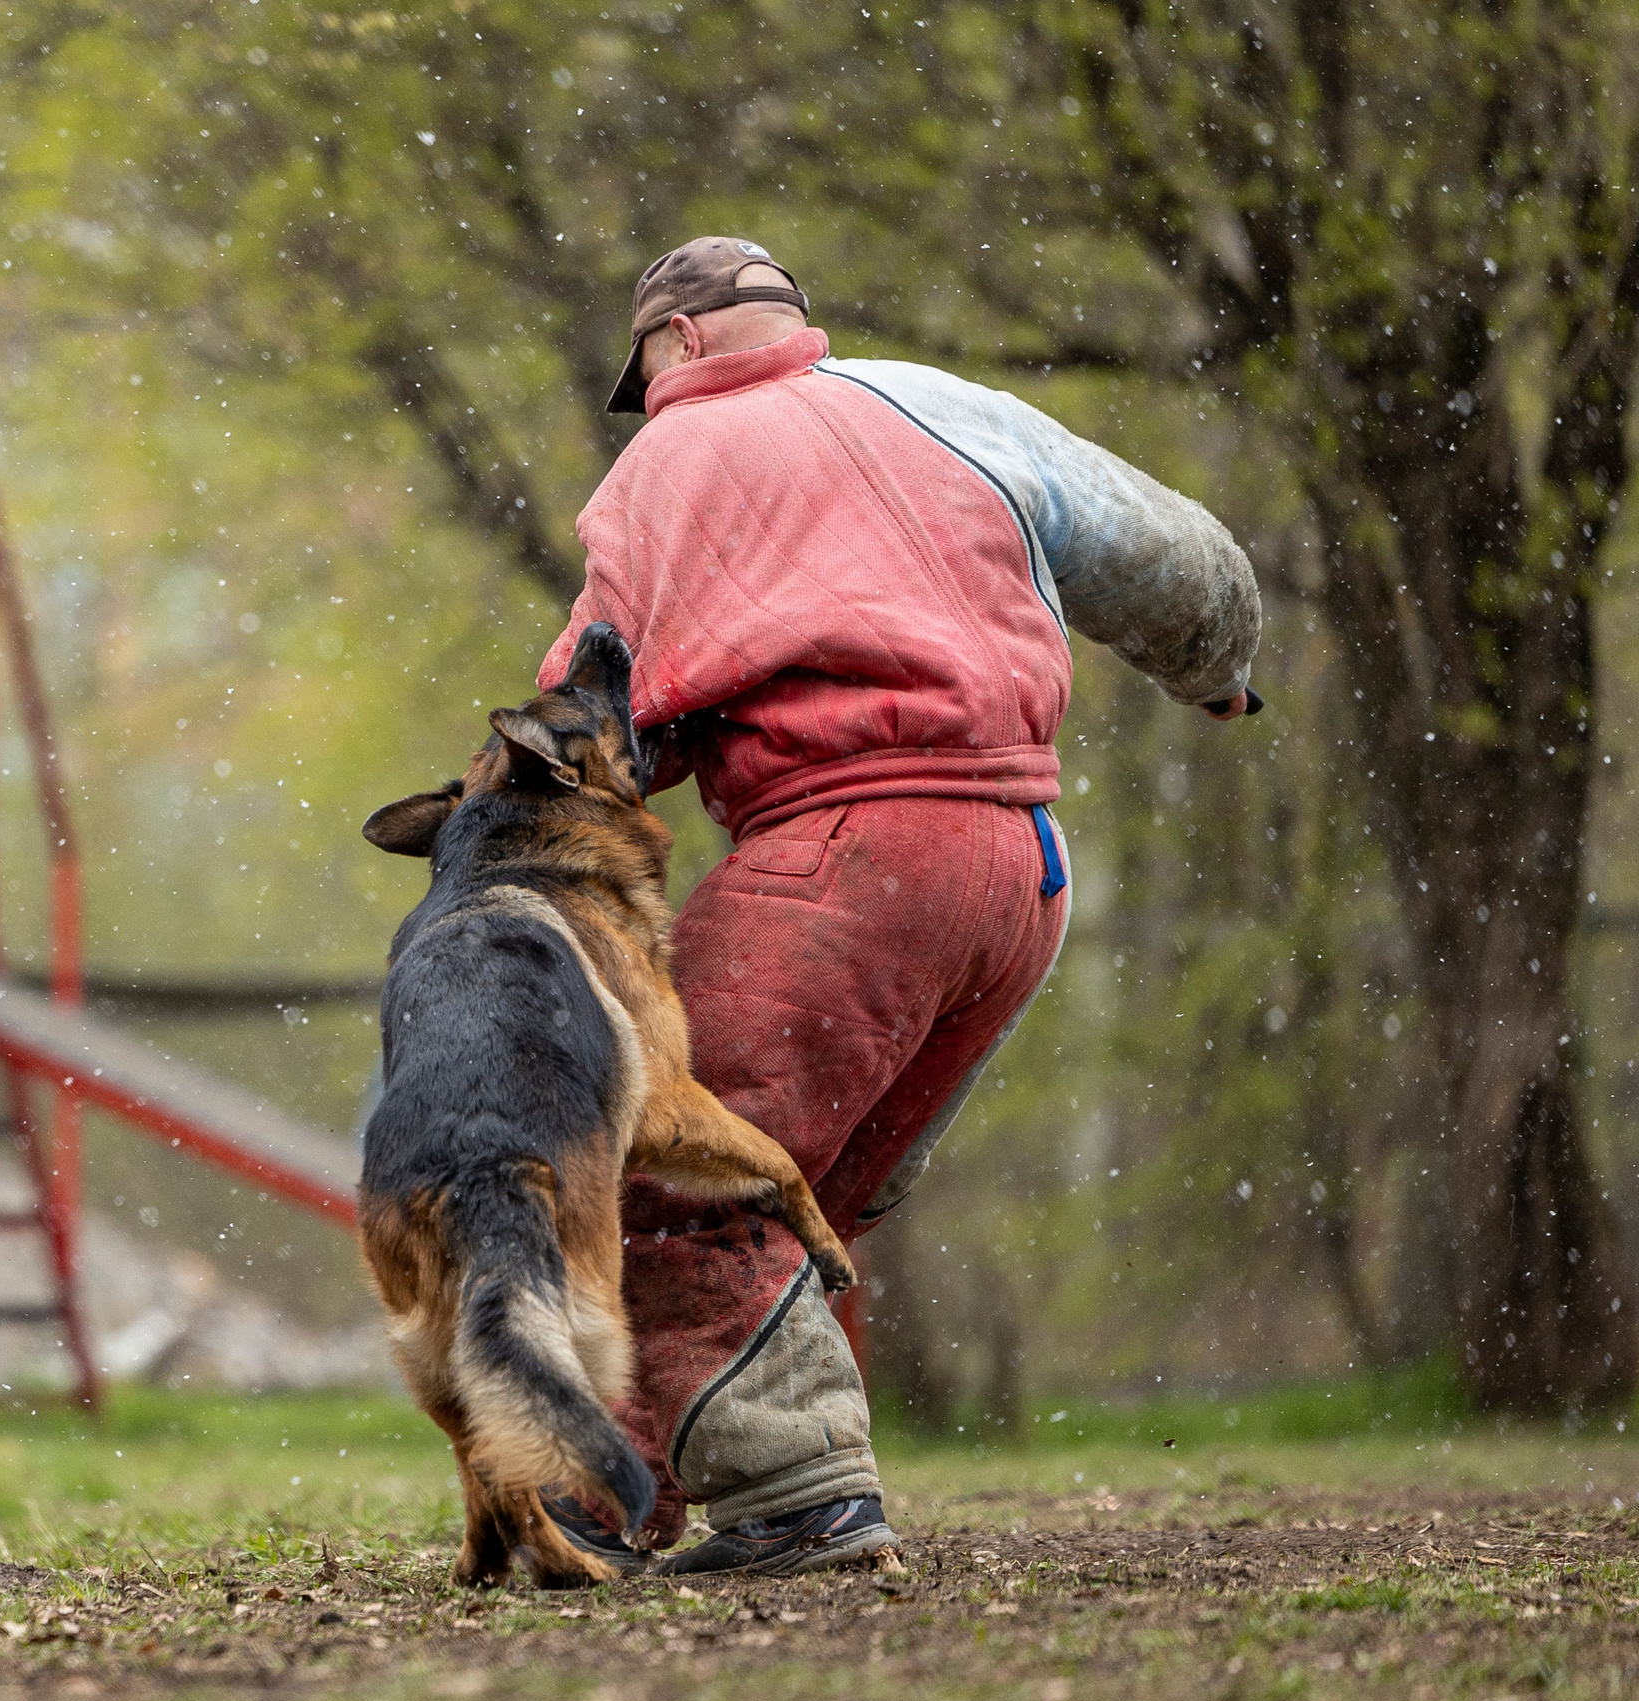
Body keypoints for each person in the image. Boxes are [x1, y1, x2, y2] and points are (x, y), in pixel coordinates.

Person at [535, 237, 1261, 1574]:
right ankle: (604, 1498)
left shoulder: (666, 468)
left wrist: (493, 831)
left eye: (646, 376)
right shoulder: (950, 405)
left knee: (664, 1154)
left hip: (845, 856)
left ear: (680, 343)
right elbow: (1175, 554)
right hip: (1019, 872)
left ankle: (796, 1493)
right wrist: (1218, 669)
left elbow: (598, 716)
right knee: (797, 1197)